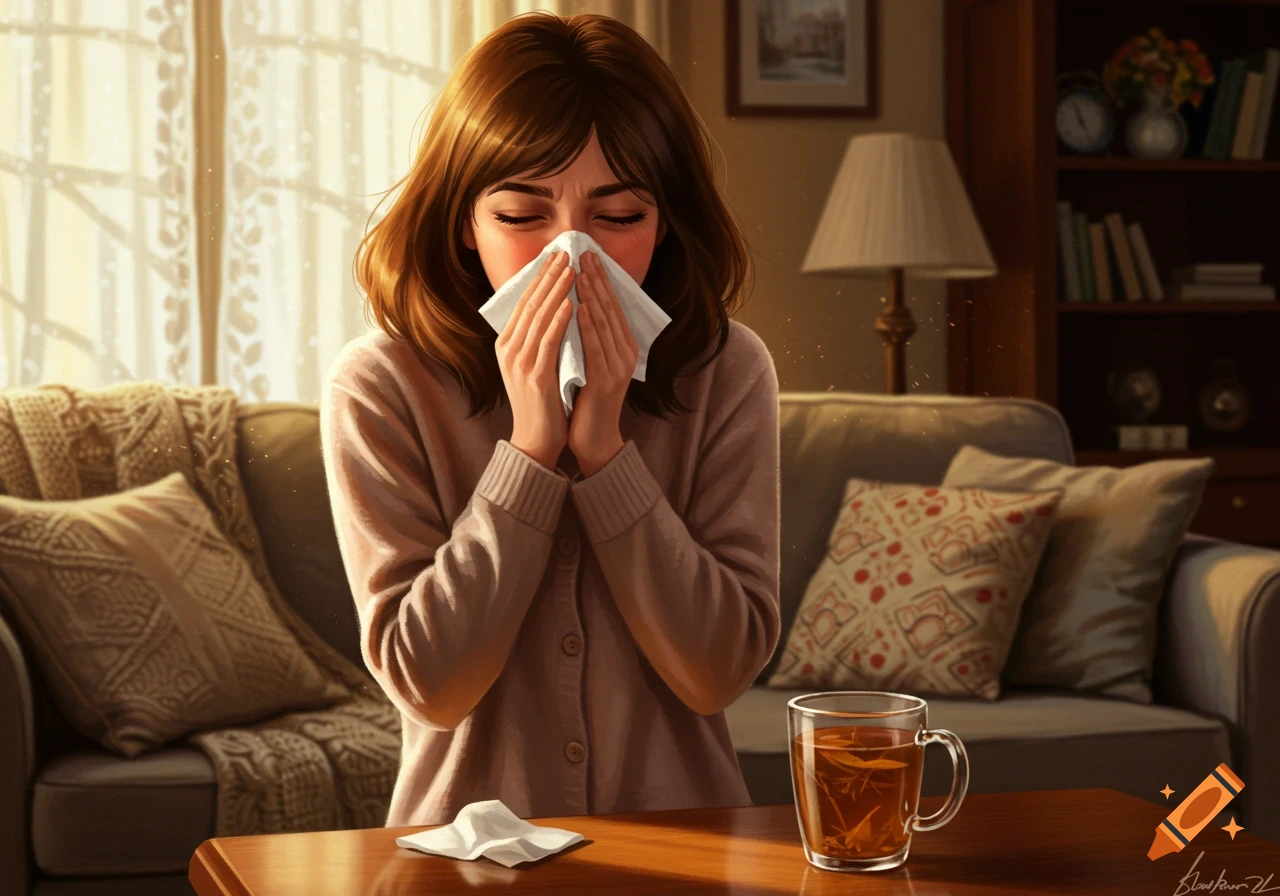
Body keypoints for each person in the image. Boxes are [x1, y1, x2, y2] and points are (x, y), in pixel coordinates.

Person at [320, 11, 781, 827]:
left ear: (666, 220)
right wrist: (530, 454)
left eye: (619, 217)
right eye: (521, 215)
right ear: (464, 222)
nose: (571, 257)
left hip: (691, 846)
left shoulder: (727, 371)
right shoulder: (381, 384)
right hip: (459, 859)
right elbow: (431, 686)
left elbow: (716, 673)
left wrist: (605, 455)